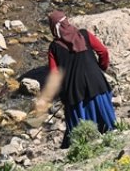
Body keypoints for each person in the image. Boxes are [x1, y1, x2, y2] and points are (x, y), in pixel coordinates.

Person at [34, 11, 116, 148]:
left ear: (54, 27)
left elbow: (55, 75)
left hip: (75, 91)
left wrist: (61, 94)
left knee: (80, 128)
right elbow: (103, 51)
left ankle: (83, 145)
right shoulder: (84, 34)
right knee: (107, 121)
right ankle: (111, 137)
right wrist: (102, 67)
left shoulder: (54, 47)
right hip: (96, 83)